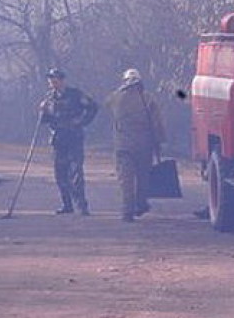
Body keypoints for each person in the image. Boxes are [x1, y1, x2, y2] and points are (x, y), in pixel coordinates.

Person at [105, 68, 166, 222]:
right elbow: (157, 122)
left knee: (125, 180)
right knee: (143, 178)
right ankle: (141, 204)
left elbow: (107, 105)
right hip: (144, 146)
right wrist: (159, 141)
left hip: (122, 146)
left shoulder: (116, 97)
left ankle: (127, 211)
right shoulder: (147, 98)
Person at [39, 68, 98, 215]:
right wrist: (42, 112)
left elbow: (93, 107)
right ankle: (67, 205)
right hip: (58, 140)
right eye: (51, 79)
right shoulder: (49, 98)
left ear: (62, 80)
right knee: (60, 174)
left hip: (74, 138)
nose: (53, 81)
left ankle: (82, 206)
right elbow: (45, 120)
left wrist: (82, 122)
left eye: (56, 78)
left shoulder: (75, 94)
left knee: (76, 172)